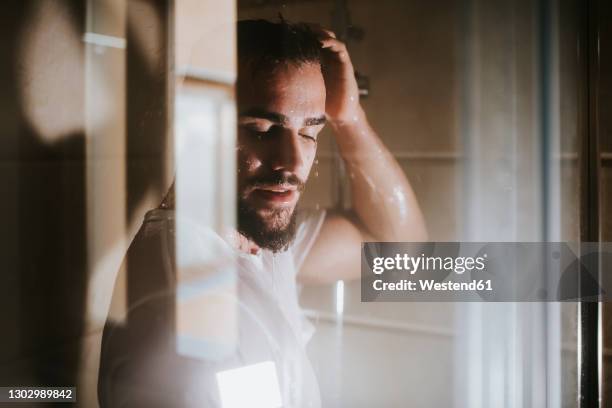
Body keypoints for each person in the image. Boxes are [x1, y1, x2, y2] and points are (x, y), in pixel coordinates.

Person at [98, 19, 426, 407]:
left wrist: (349, 117)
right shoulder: (194, 334)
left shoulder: (253, 238)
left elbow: (399, 254)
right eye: (261, 129)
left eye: (310, 132)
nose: (292, 161)